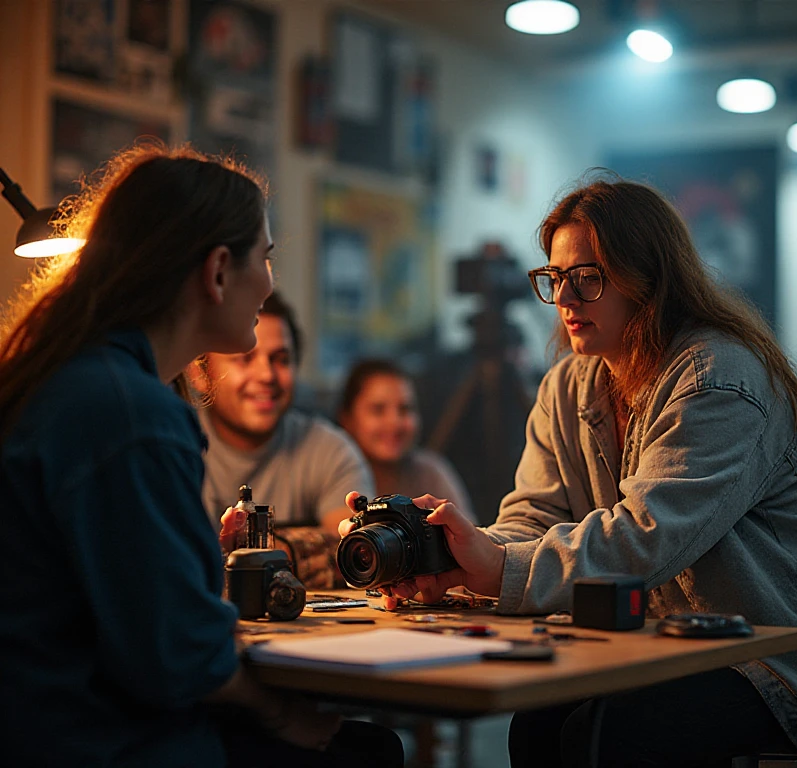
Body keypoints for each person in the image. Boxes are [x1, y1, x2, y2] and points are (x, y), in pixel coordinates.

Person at [347, 175, 797, 767]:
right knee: (538, 723)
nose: (565, 298)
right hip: (677, 642)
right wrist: (445, 556)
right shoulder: (569, 383)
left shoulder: (718, 377)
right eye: (555, 277)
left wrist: (499, 567)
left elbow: (646, 538)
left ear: (648, 279)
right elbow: (534, 517)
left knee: (611, 734)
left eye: (588, 276)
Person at [0, 144, 402, 768]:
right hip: (98, 740)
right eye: (265, 257)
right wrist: (280, 712)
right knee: (369, 752)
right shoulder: (133, 415)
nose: (269, 282)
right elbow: (177, 653)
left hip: (48, 722)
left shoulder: (78, 380)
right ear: (217, 272)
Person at [199, 291, 373, 536]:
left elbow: (355, 542)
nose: (266, 375)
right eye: (245, 359)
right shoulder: (171, 447)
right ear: (199, 373)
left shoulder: (330, 451)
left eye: (281, 359)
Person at [337, 358, 476, 522]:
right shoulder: (336, 475)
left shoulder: (432, 473)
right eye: (378, 410)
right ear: (347, 419)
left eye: (405, 409)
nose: (394, 422)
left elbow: (469, 532)